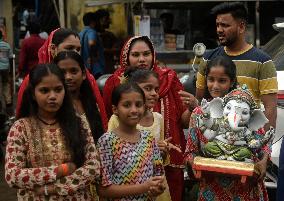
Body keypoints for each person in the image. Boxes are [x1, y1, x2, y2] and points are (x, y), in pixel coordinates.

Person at [103, 35, 196, 201]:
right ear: (126, 57)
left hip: (166, 164)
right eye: (135, 55)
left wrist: (193, 108)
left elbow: (184, 121)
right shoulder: (115, 82)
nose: (141, 59)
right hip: (125, 174)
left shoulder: (168, 78)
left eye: (146, 54)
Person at [5, 63, 101, 200]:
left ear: (64, 91)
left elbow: (94, 167)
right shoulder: (20, 128)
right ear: (33, 94)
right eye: (44, 91)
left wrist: (53, 188)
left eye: (58, 89)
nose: (52, 96)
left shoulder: (79, 123)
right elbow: (12, 175)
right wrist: (62, 170)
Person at [184, 56, 271, 201]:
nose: (215, 86)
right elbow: (190, 151)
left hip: (245, 190)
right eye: (211, 79)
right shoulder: (199, 113)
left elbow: (263, 147)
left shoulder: (246, 108)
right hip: (211, 189)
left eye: (222, 80)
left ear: (232, 82)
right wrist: (193, 163)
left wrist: (263, 162)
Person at [195, 2, 278, 132]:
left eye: (225, 25)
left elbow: (270, 108)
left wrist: (264, 146)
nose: (219, 30)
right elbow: (199, 100)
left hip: (246, 143)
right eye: (217, 25)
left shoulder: (263, 62)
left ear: (241, 27)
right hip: (213, 139)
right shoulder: (207, 58)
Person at [16, 28, 108, 130]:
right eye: (69, 48)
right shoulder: (34, 79)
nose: (75, 53)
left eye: (78, 49)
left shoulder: (86, 77)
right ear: (53, 49)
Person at [98, 82, 165, 200]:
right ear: (115, 109)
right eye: (127, 105)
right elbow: (104, 189)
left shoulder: (149, 139)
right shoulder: (107, 141)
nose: (134, 110)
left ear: (144, 107)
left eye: (138, 104)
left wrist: (157, 188)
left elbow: (158, 176)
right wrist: (144, 187)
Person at [53, 51, 105, 141]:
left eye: (73, 71)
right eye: (62, 72)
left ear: (84, 74)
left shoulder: (92, 104)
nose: (68, 77)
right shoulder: (52, 107)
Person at [80, 12, 105, 79]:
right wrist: (93, 57)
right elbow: (91, 43)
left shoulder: (81, 33)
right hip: (95, 68)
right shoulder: (92, 31)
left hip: (86, 67)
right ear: (93, 22)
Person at [0, 30, 13, 113]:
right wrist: (11, 70)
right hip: (5, 68)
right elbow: (11, 58)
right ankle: (8, 101)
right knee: (5, 83)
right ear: (2, 36)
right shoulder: (7, 45)